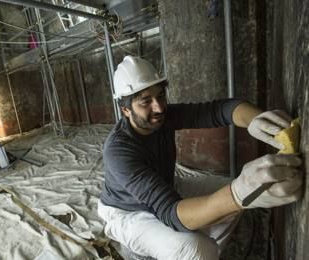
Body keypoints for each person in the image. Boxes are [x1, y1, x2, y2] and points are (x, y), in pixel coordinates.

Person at [98, 56, 303, 260]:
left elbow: (217, 110)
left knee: (226, 201)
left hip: (165, 188)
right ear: (125, 109)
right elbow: (169, 211)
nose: (159, 107)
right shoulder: (118, 151)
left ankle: (207, 249)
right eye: (146, 101)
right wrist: (237, 197)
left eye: (160, 96)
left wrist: (256, 119)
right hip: (127, 212)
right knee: (196, 249)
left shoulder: (162, 117)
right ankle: (140, 250)